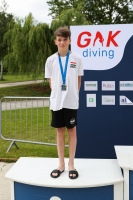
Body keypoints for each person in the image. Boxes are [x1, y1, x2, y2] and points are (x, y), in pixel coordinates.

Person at [45, 27, 84, 179]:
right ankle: (61, 164)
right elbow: (50, 82)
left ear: (70, 41)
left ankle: (71, 164)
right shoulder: (50, 60)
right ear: (55, 41)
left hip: (71, 101)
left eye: (65, 40)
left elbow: (78, 81)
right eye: (59, 40)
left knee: (72, 131)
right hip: (56, 102)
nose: (62, 42)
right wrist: (58, 95)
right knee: (59, 131)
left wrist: (72, 95)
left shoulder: (77, 58)